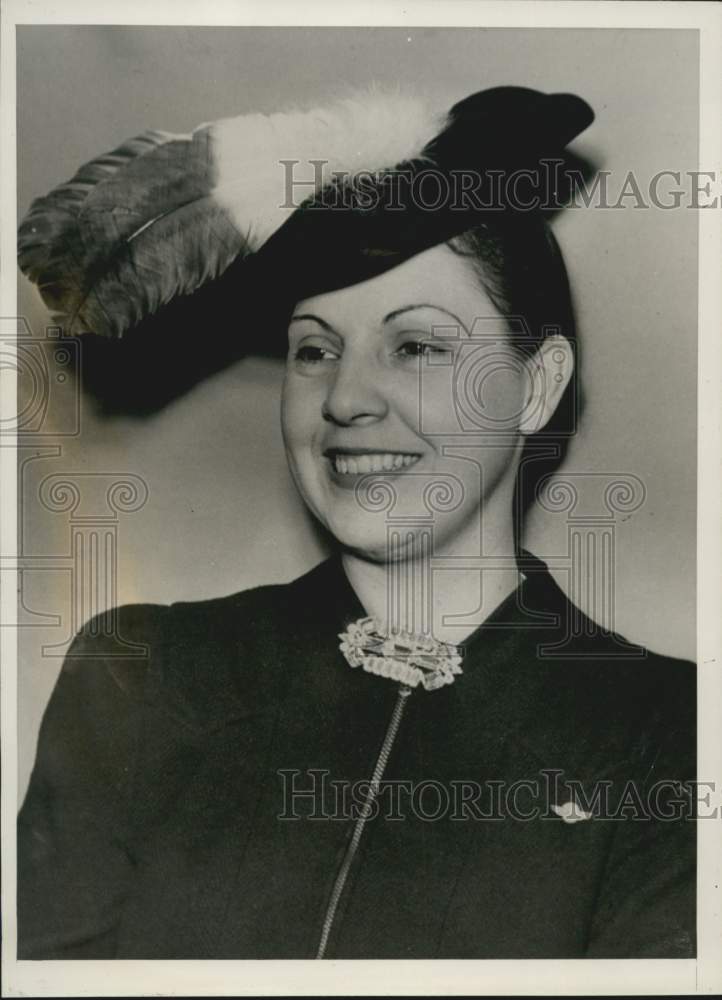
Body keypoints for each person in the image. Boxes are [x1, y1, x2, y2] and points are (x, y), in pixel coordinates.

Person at [17, 86, 695, 959]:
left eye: (416, 346)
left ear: (537, 384)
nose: (343, 398)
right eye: (314, 349)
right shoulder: (142, 678)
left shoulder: (668, 733)